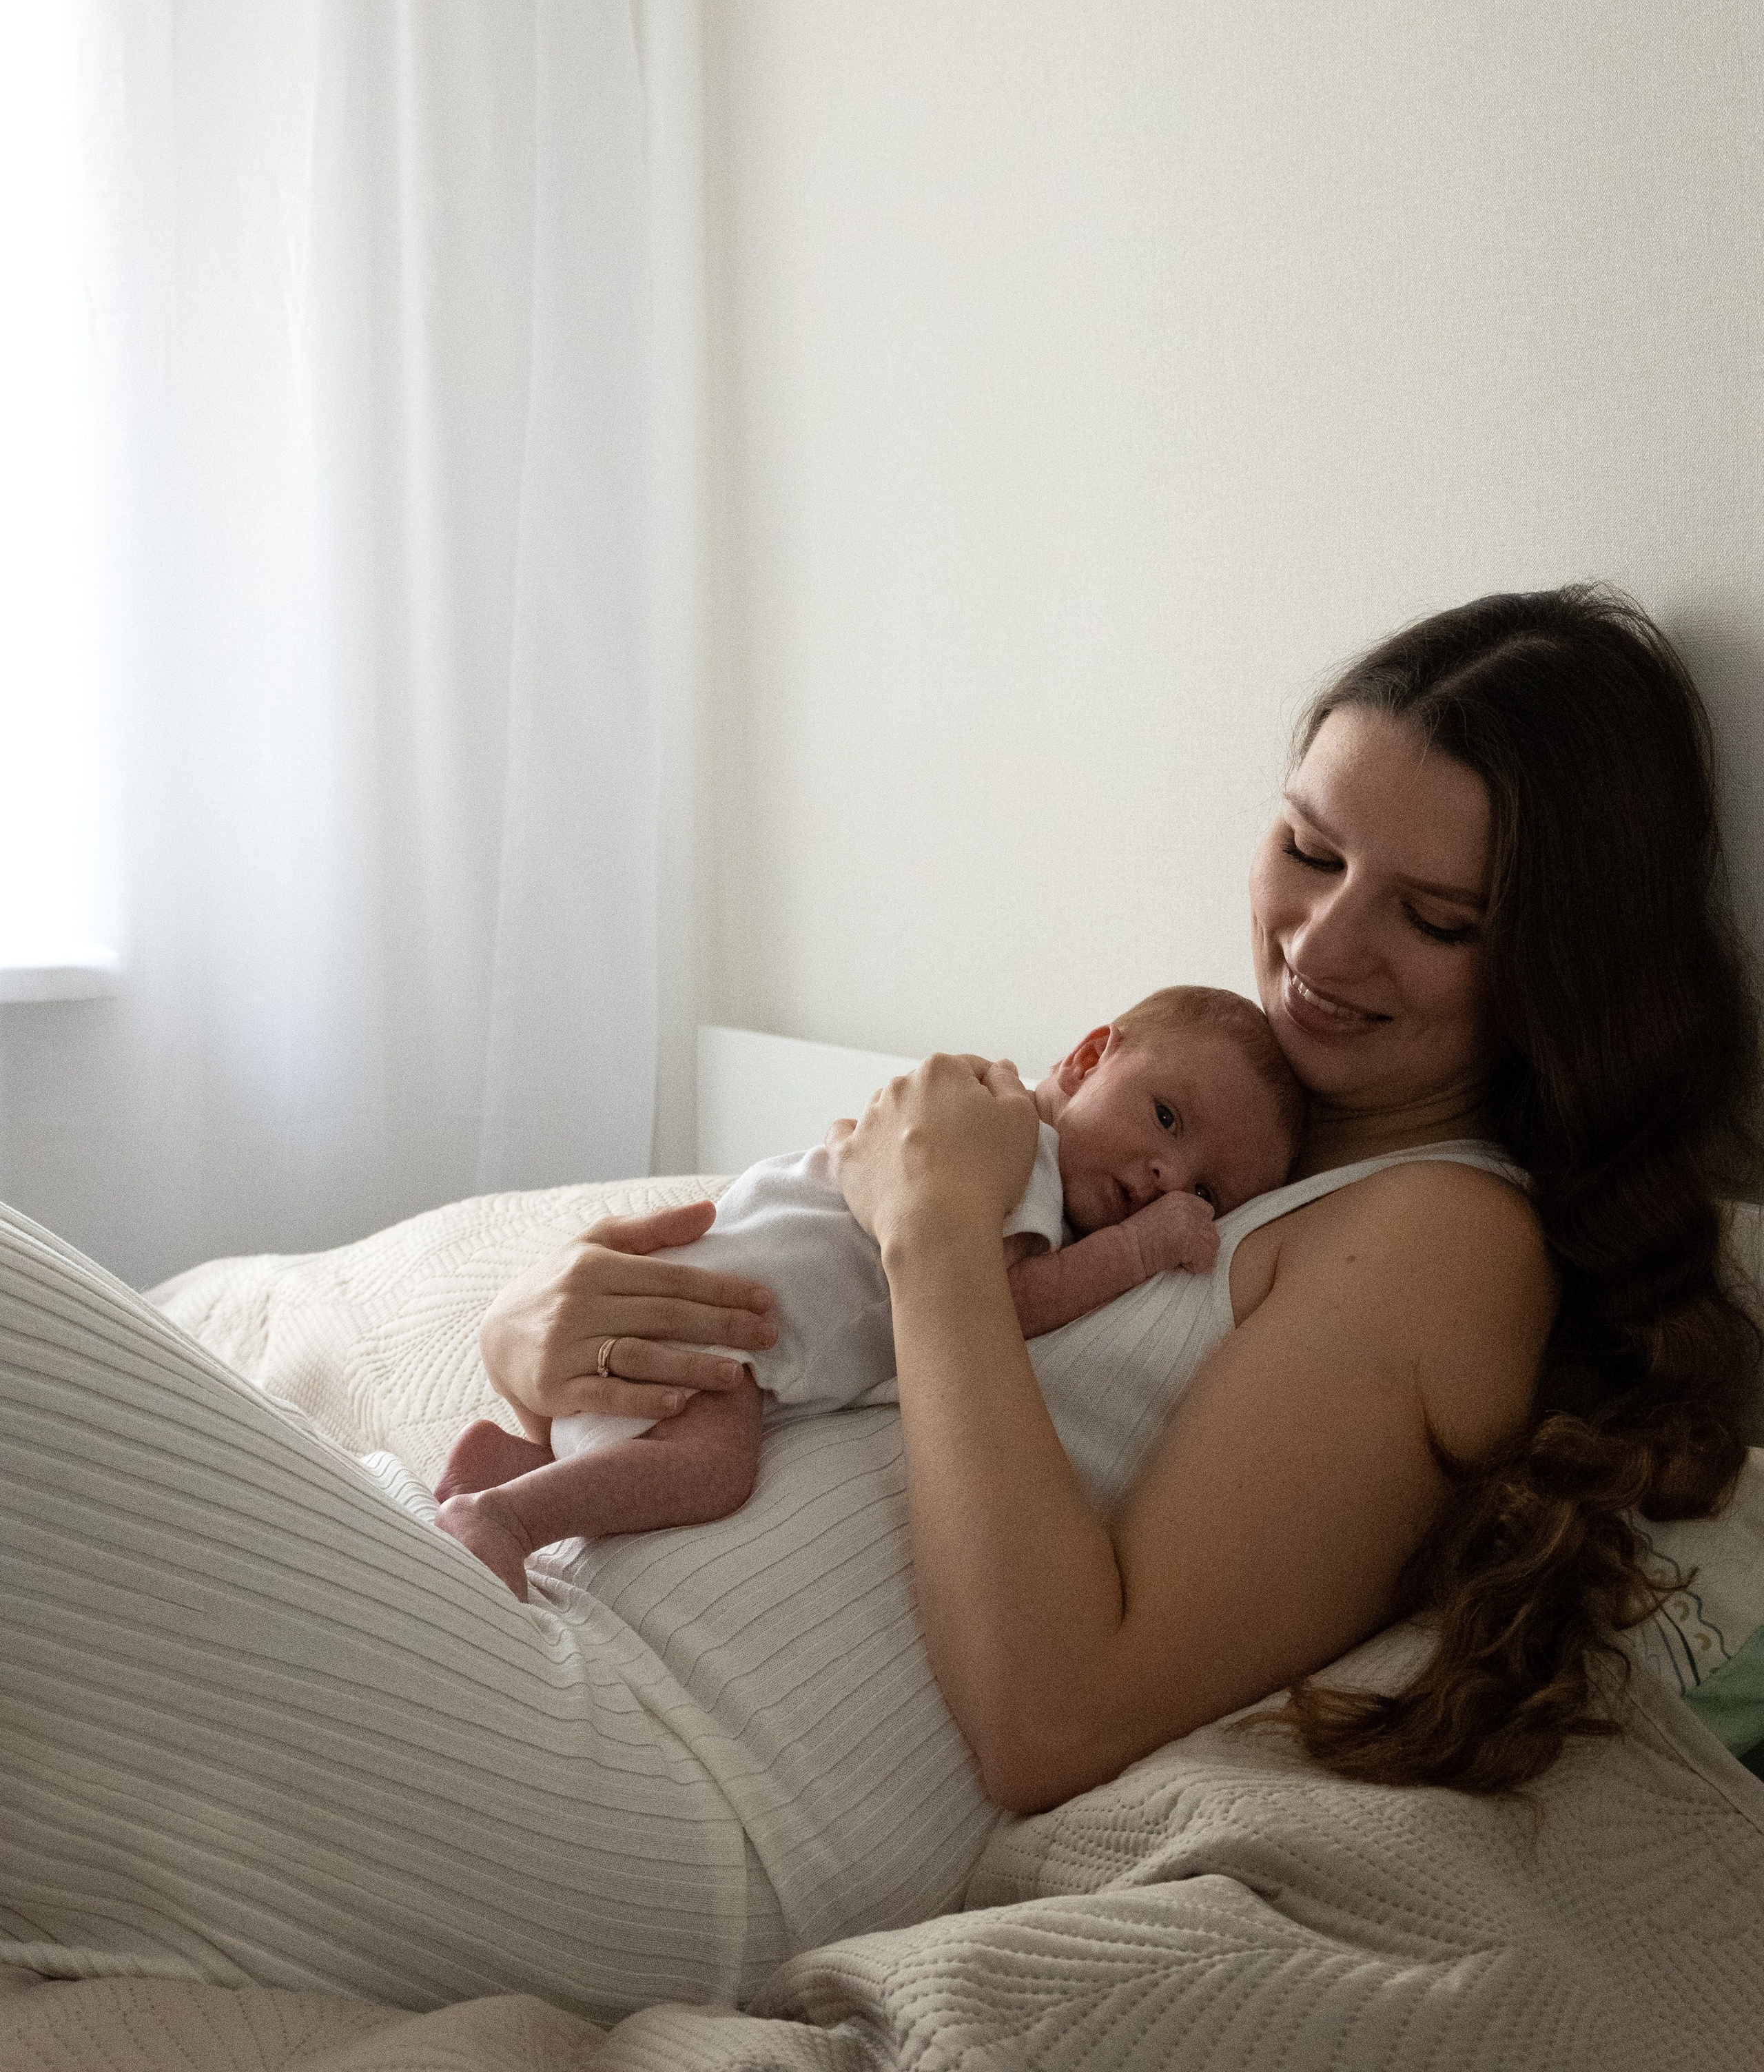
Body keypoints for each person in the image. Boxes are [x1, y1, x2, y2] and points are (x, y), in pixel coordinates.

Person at [3, 586, 1758, 2020]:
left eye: (1431, 916)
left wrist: (930, 1230)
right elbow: (770, 1297)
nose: (1319, 942)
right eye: (1306, 846)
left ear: (1553, 960)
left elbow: (1053, 1711)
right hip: (535, 1614)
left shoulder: (1445, 1234)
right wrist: (541, 1336)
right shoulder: (1187, 1128)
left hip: (672, 1793)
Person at [433, 985, 1304, 1595]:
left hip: (699, 1309)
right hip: (716, 1326)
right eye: (1165, 1118)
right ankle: (506, 1516)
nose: (1166, 1173)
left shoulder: (998, 1145)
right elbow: (995, 1309)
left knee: (655, 1439)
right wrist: (1146, 1247)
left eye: (1205, 1191)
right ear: (1085, 1059)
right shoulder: (1014, 1151)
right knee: (711, 1466)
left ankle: (520, 1459)